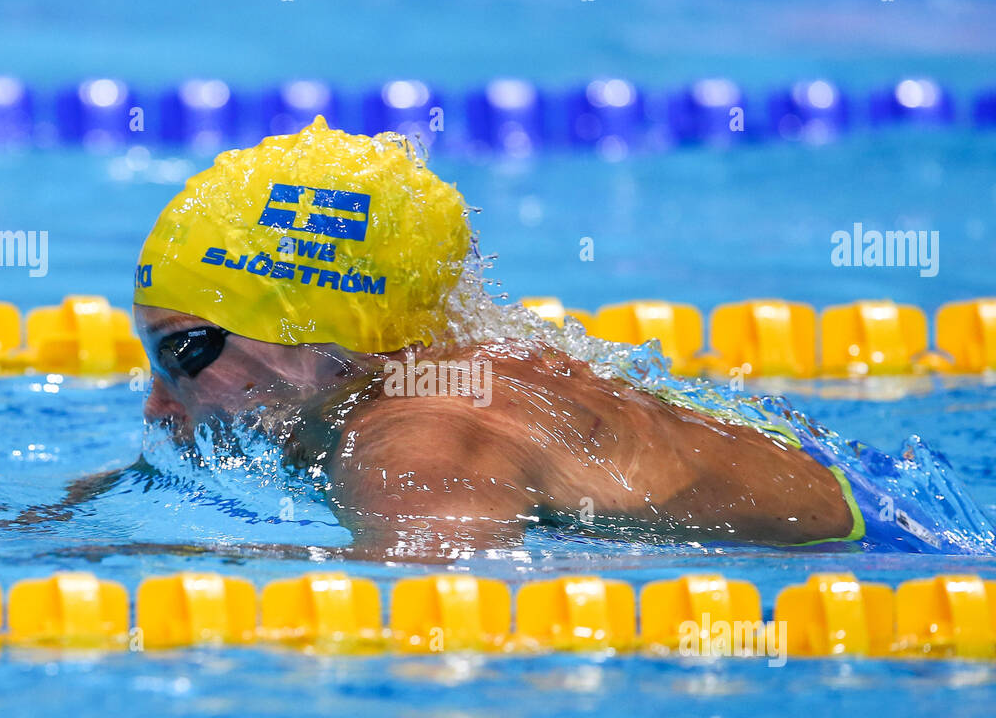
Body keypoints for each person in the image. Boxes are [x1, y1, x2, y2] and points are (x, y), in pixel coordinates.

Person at [130, 116, 874, 561]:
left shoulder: (422, 433)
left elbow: (435, 618)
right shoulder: (440, 375)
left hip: (885, 572)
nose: (159, 405)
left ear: (318, 335)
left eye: (185, 351)